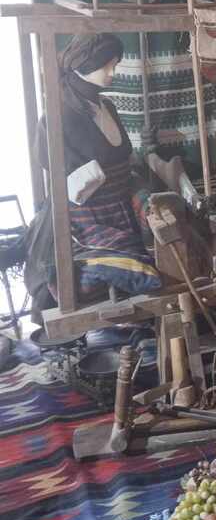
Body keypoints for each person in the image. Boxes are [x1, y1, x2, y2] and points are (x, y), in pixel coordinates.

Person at [25, 33, 160, 315]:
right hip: (89, 218)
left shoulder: (107, 106)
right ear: (83, 66)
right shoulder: (58, 115)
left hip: (121, 208)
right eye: (106, 66)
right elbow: (56, 170)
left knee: (165, 250)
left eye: (115, 65)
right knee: (143, 271)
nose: (113, 73)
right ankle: (87, 269)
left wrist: (142, 172)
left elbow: (124, 158)